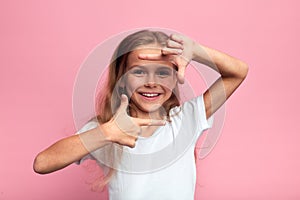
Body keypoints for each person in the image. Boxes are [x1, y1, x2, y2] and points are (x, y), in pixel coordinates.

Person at [33, 29, 248, 200]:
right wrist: (107, 132)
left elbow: (238, 71)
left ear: (175, 79)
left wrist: (196, 51)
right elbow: (42, 163)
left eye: (163, 72)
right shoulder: (109, 129)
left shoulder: (186, 119)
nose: (151, 82)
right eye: (138, 71)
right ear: (122, 78)